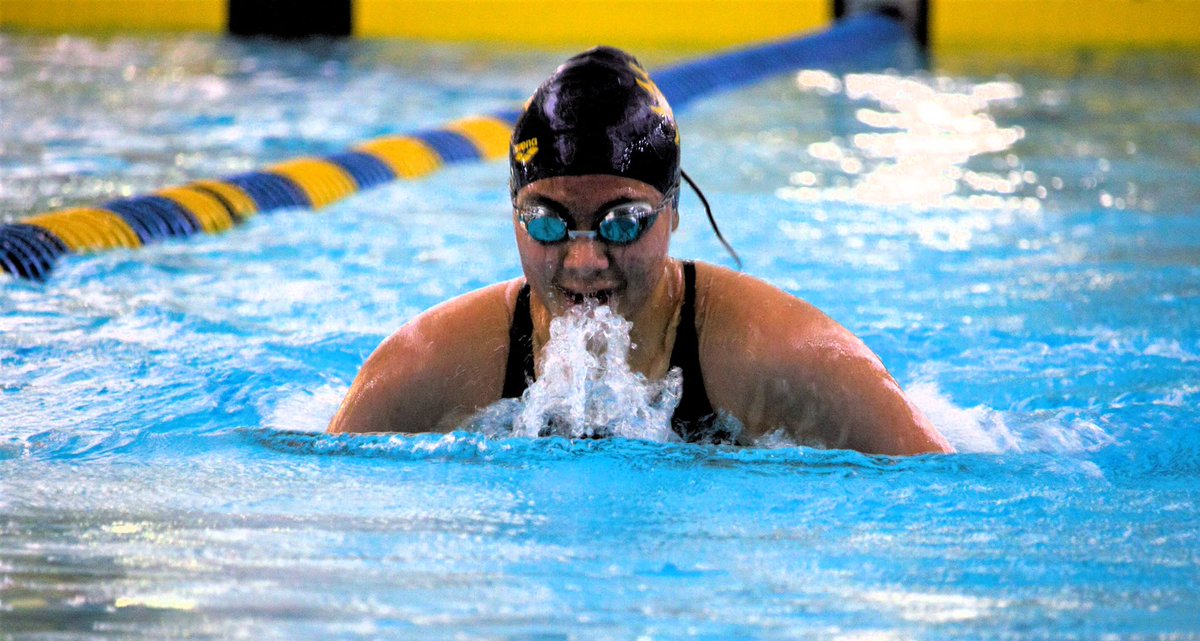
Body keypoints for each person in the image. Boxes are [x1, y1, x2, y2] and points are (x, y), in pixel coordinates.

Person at [327, 46, 953, 456]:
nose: (584, 260)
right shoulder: (431, 362)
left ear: (673, 212)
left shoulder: (779, 354)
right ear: (513, 215)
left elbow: (938, 488)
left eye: (621, 222)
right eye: (547, 224)